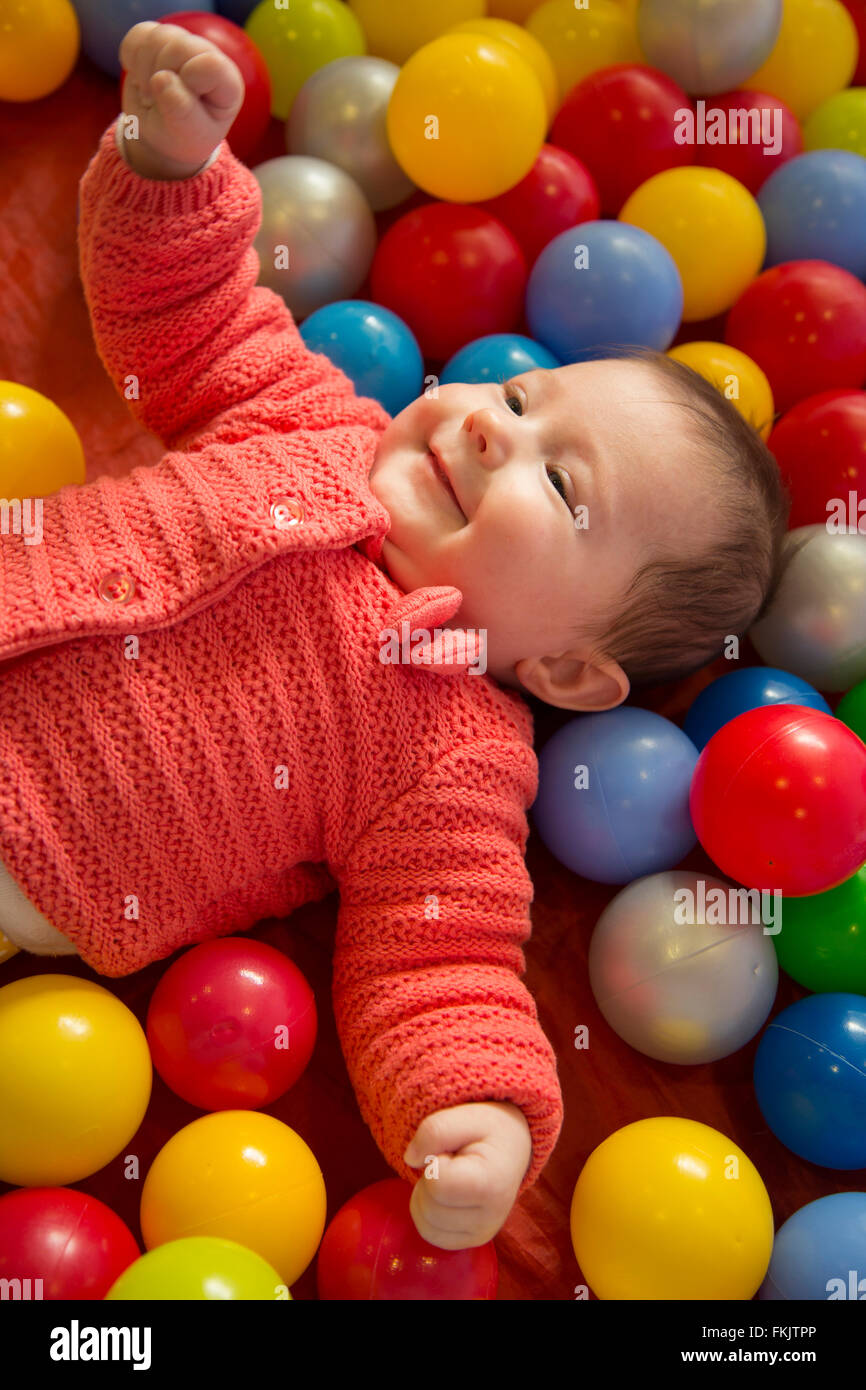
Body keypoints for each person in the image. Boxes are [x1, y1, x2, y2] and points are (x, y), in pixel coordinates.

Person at [0, 23, 790, 1252]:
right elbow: (191, 318)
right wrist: (172, 171)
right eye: (524, 398)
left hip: (35, 842)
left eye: (563, 489)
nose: (492, 430)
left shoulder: (453, 757)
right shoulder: (315, 417)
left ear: (569, 669)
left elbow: (438, 957)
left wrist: (476, 1106)